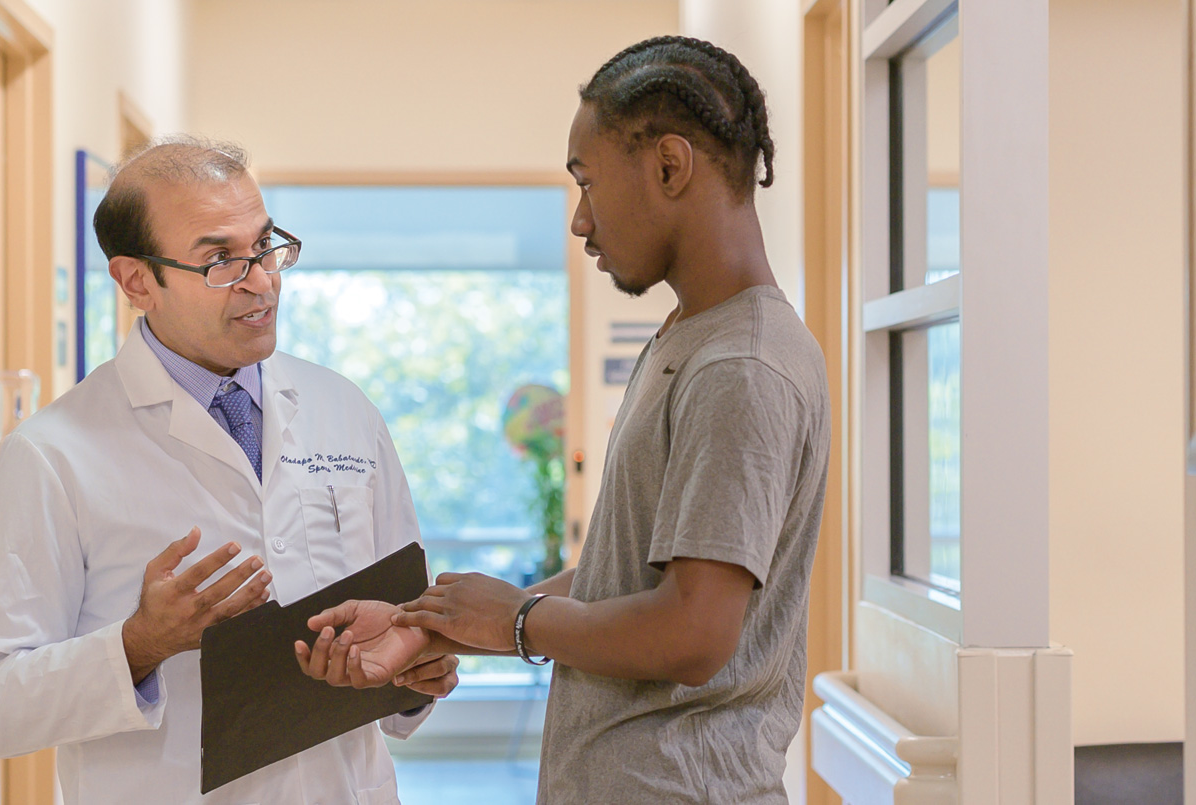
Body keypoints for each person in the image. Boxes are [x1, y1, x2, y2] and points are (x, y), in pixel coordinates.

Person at [299, 37, 830, 804]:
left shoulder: (740, 366)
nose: (580, 220)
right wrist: (430, 626)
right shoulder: (690, 336)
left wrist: (516, 618)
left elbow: (692, 633)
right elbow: (633, 568)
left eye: (586, 183)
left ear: (669, 166)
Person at [0, 136, 458, 805]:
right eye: (220, 260)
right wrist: (139, 643)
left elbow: (404, 624)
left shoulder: (343, 410)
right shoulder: (53, 452)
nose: (262, 280)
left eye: (264, 246)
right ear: (137, 281)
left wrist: (416, 665)